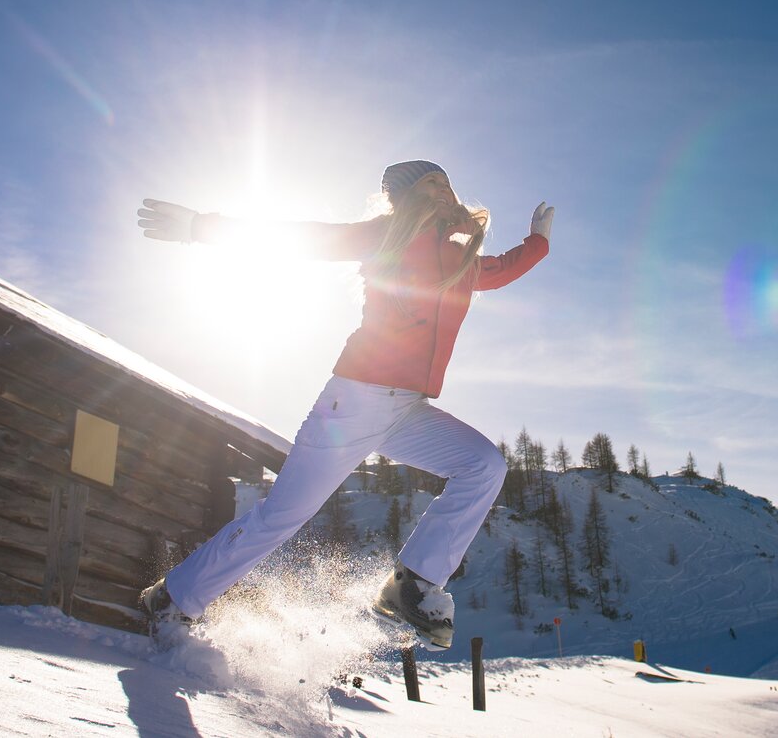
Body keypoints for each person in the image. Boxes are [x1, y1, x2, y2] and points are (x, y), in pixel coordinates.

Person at [133, 160, 553, 650]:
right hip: (353, 401)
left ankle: (413, 584)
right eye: (428, 183)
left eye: (445, 181)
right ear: (404, 197)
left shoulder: (460, 261)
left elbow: (501, 271)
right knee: (281, 518)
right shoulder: (388, 235)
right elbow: (306, 238)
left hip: (405, 411)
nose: (442, 190)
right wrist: (199, 227)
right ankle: (173, 598)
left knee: (483, 465)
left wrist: (538, 242)